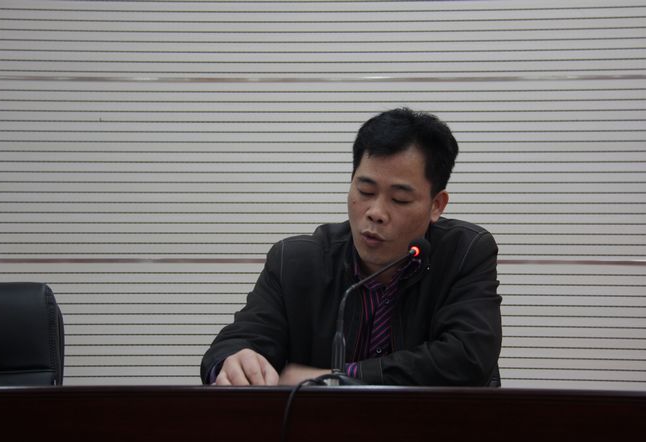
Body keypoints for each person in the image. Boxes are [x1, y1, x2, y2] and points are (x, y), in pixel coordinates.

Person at [200, 108, 502, 386]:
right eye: (365, 191)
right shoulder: (294, 262)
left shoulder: (465, 252)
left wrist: (338, 378)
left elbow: (468, 357)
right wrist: (233, 362)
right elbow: (235, 343)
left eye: (399, 199)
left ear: (436, 205)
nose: (376, 212)